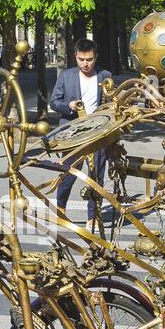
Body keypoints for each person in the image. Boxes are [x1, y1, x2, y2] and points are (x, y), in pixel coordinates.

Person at [48, 38, 113, 225]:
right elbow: (54, 102)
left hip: (98, 132)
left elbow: (111, 102)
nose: (85, 64)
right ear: (75, 57)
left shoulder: (105, 75)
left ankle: (93, 215)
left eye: (89, 60)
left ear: (96, 57)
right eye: (81, 59)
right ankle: (60, 210)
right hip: (73, 133)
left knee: (96, 175)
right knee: (68, 172)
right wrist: (68, 106)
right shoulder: (66, 76)